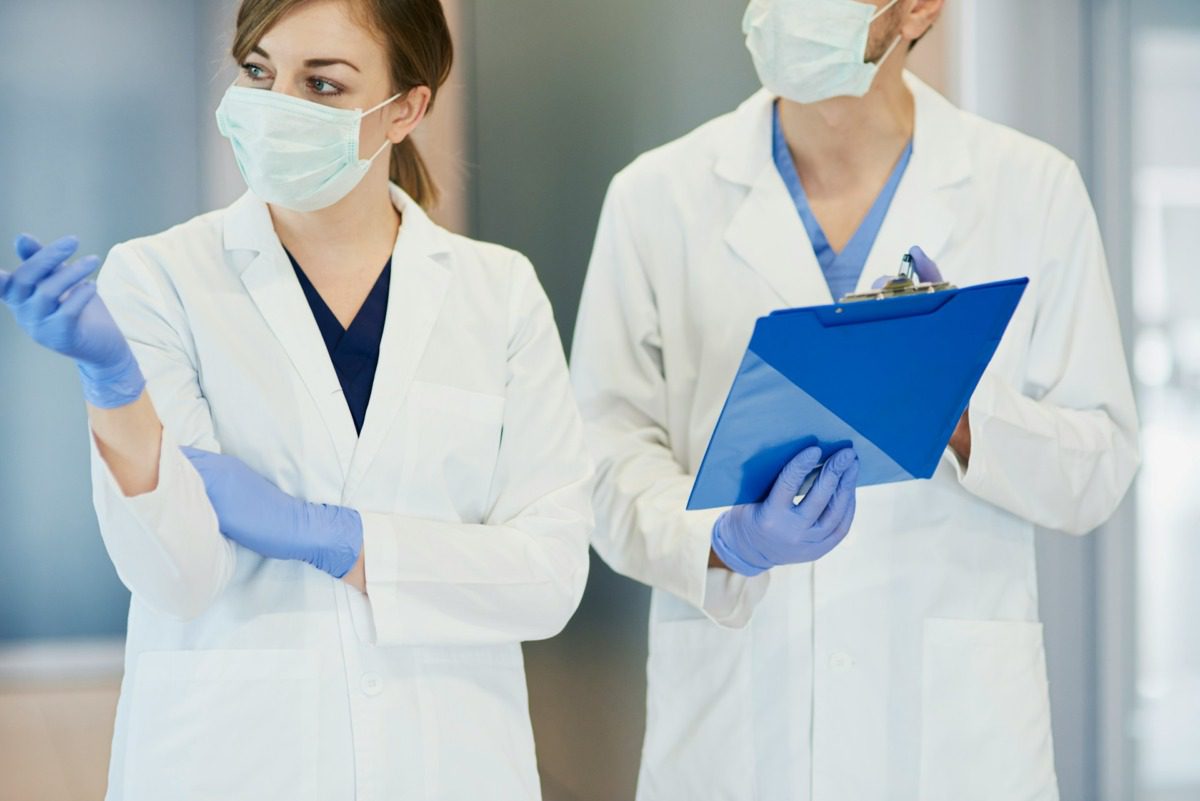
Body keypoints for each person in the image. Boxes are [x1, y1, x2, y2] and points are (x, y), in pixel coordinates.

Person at [0, 0, 592, 798]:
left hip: (447, 760)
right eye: (258, 71)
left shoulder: (499, 293)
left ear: (406, 110)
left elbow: (548, 576)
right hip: (234, 758)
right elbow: (179, 578)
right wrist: (115, 389)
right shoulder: (160, 278)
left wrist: (335, 537)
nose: (278, 107)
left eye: (323, 84)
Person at [570, 0, 1141, 798]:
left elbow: (1100, 464)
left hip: (949, 739)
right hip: (738, 724)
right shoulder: (656, 196)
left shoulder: (1031, 188)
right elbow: (598, 460)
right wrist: (726, 539)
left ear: (918, 8)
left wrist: (957, 407)